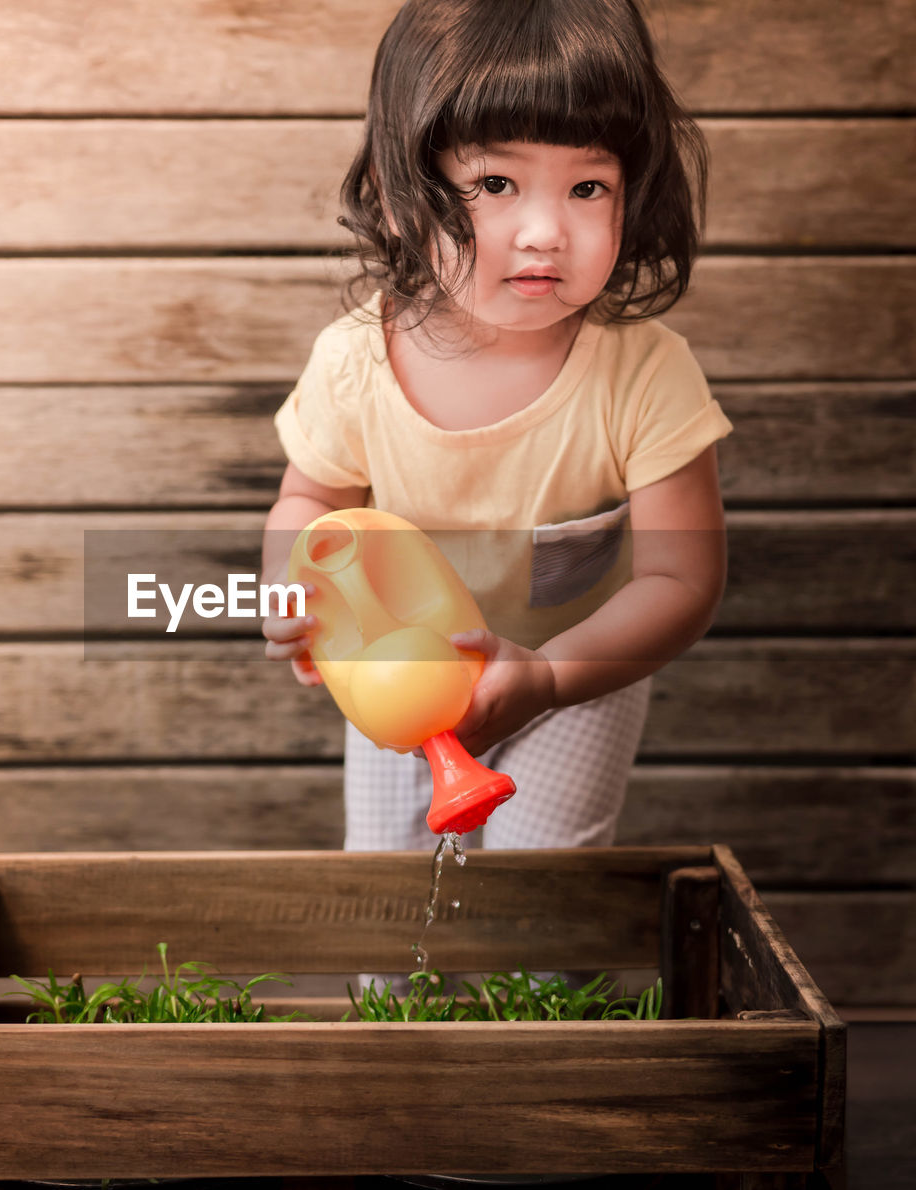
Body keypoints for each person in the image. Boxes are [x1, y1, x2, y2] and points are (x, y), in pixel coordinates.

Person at [260, 0, 732, 857]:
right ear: (399, 198)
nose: (546, 230)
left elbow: (681, 579)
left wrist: (549, 677)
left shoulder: (644, 373)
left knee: (541, 892)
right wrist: (291, 596)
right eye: (495, 185)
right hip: (398, 678)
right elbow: (310, 502)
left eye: (588, 187)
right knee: (390, 888)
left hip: (577, 675)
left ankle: (533, 997)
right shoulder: (355, 363)